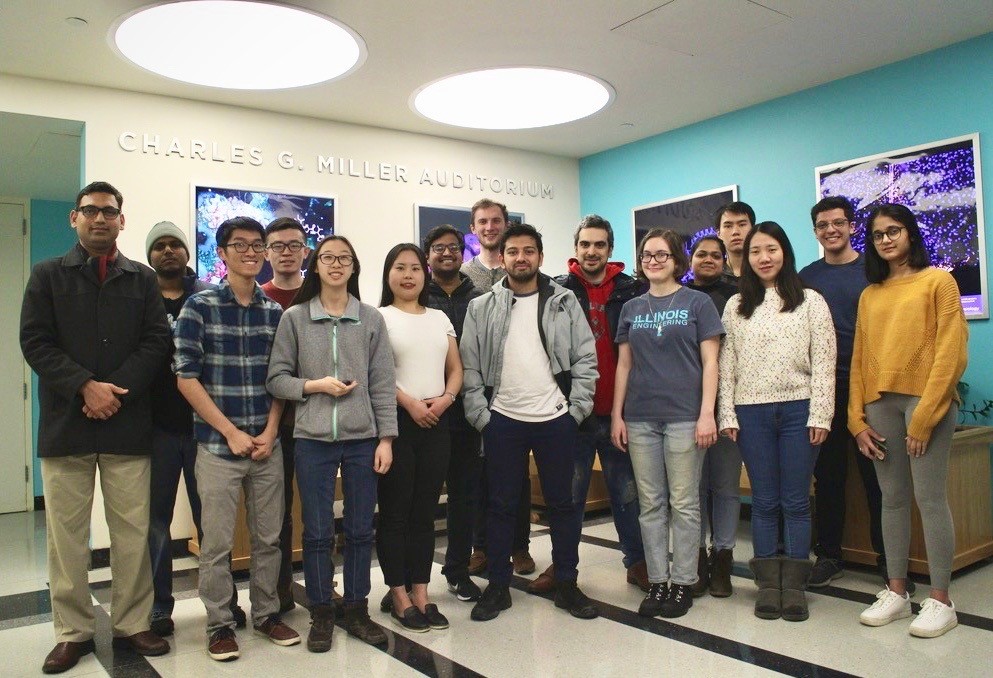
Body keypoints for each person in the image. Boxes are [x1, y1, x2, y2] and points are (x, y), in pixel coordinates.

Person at [20, 181, 172, 674]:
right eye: (91, 211)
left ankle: (132, 623)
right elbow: (35, 342)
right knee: (66, 539)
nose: (100, 218)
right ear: (75, 218)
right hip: (67, 426)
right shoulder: (46, 275)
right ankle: (72, 632)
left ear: (122, 220)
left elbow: (155, 343)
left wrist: (113, 392)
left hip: (128, 425)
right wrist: (86, 387)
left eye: (109, 211)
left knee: (132, 533)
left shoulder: (143, 280)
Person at [174, 216, 299, 661]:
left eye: (257, 245)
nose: (251, 251)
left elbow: (281, 379)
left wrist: (267, 432)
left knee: (270, 539)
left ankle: (267, 613)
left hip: (267, 446)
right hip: (215, 445)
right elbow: (186, 378)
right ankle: (220, 624)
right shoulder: (199, 307)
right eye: (239, 244)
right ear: (222, 253)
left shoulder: (275, 313)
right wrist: (229, 432)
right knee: (217, 544)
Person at [461, 223, 599, 622]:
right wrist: (481, 417)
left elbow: (585, 358)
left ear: (540, 256)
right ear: (501, 258)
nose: (521, 258)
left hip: (557, 419)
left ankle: (567, 583)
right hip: (502, 420)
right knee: (502, 506)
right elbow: (470, 366)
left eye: (529, 251)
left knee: (564, 506)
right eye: (513, 252)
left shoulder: (564, 300)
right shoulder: (481, 306)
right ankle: (499, 587)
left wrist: (576, 410)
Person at [266, 235, 395, 651]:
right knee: (318, 532)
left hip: (362, 439)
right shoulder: (296, 318)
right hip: (312, 439)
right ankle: (321, 611)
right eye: (328, 258)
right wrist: (314, 385)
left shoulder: (371, 319)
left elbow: (382, 383)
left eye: (344, 258)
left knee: (360, 530)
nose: (336, 264)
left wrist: (386, 438)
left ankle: (357, 608)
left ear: (354, 267)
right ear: (315, 266)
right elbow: (277, 379)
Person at [852, 204, 967, 639]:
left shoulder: (939, 281)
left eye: (893, 231)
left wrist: (925, 418)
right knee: (892, 498)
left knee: (930, 498)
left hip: (927, 404)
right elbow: (861, 357)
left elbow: (950, 352)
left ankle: (941, 601)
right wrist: (855, 420)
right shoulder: (871, 292)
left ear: (910, 234)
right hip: (880, 405)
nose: (885, 240)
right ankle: (896, 592)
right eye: (878, 234)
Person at [718, 221, 835, 622]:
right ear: (746, 259)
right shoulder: (736, 306)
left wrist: (821, 412)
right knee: (764, 501)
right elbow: (726, 364)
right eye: (755, 251)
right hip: (751, 412)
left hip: (800, 412)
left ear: (784, 252)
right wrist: (726, 413)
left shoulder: (811, 301)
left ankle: (795, 587)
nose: (764, 258)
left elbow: (824, 361)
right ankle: (768, 585)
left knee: (797, 501)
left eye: (771, 249)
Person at [611, 229, 723, 619]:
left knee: (685, 503)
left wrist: (708, 412)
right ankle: (658, 581)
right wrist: (617, 415)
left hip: (685, 417)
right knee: (651, 504)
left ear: (677, 259)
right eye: (646, 255)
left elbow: (711, 362)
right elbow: (624, 365)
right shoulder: (631, 308)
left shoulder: (698, 302)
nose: (653, 260)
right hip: (640, 417)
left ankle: (683, 583)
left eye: (661, 254)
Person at [536, 214, 648, 597]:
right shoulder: (556, 290)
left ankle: (637, 562)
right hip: (573, 413)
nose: (592, 251)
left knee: (627, 494)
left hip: (622, 413)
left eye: (599, 244)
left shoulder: (634, 291)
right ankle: (563, 565)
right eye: (585, 244)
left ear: (610, 249)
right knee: (568, 497)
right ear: (575, 248)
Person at [144, 221, 246, 636]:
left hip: (206, 429)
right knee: (156, 522)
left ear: (188, 252)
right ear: (150, 255)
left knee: (213, 523)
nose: (168, 251)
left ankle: (223, 606)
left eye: (176, 245)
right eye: (160, 246)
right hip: (156, 430)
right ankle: (158, 608)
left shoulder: (209, 295)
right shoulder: (140, 297)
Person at [798, 197, 888, 590]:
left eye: (838, 223)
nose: (830, 230)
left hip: (870, 387)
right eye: (822, 224)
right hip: (824, 387)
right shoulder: (805, 276)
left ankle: (890, 560)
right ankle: (830, 556)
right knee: (828, 476)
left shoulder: (874, 269)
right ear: (815, 231)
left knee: (877, 476)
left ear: (852, 226)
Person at [377, 243, 463, 632]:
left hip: (436, 422)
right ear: (388, 274)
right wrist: (410, 403)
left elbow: (456, 369)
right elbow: (375, 375)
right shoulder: (378, 318)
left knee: (426, 513)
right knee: (395, 513)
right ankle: (398, 595)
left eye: (415, 267)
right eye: (400, 267)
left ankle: (421, 593)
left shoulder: (440, 317)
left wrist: (444, 401)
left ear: (424, 273)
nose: (408, 275)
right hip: (396, 422)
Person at [461, 198, 535, 577]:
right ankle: (481, 546)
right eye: (482, 222)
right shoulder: (463, 276)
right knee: (480, 474)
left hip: (519, 391)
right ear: (473, 229)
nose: (489, 227)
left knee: (517, 475)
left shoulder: (525, 273)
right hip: (478, 390)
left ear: (506, 225)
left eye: (496, 221)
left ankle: (520, 547)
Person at [423, 225, 485, 603]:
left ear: (463, 253)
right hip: (422, 412)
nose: (446, 253)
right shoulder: (415, 297)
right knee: (420, 499)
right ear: (427, 254)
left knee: (464, 498)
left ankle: (458, 572)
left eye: (453, 248)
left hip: (466, 412)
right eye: (437, 248)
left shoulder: (479, 299)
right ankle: (408, 579)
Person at [685, 235, 742, 598]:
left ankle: (722, 556)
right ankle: (696, 558)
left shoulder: (739, 298)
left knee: (724, 485)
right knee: (693, 488)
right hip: (684, 404)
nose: (707, 260)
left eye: (714, 255)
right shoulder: (678, 295)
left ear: (725, 260)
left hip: (729, 405)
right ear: (689, 260)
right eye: (700, 254)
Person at [261, 217, 312, 613]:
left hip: (316, 422)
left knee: (316, 511)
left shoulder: (320, 297)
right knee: (275, 518)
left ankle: (319, 586)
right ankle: (279, 594)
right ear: (266, 252)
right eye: (278, 246)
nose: (286, 252)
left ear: (305, 251)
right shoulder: (259, 299)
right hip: (271, 426)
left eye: (294, 245)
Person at [715, 201, 756, 281]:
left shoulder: (763, 270)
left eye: (742, 225)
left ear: (753, 229)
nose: (735, 232)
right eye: (728, 226)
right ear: (718, 233)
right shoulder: (714, 276)